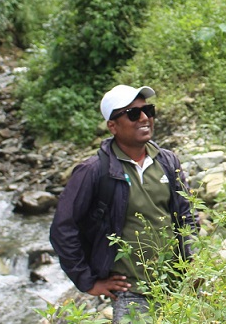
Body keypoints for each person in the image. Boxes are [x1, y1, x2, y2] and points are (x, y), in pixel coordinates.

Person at [50, 85, 198, 323]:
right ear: (113, 126)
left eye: (148, 110)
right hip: (132, 293)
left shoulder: (168, 161)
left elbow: (186, 213)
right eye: (132, 114)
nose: (144, 118)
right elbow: (63, 229)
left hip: (177, 284)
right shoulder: (94, 171)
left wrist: (192, 256)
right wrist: (87, 282)